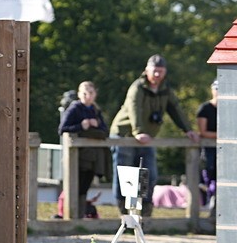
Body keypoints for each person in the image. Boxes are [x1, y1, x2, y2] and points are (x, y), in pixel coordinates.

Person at [110, 54, 199, 215]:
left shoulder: (165, 90)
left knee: (148, 174)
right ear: (147, 70)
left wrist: (188, 130)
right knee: (125, 175)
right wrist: (138, 131)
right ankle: (124, 214)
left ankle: (144, 213)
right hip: (125, 135)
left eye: (161, 71)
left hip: (147, 138)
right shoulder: (137, 87)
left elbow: (175, 109)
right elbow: (134, 109)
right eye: (154, 71)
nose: (157, 75)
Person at [58, 81, 110, 218]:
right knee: (75, 186)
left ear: (95, 94)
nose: (88, 96)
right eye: (84, 93)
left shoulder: (95, 110)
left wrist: (96, 124)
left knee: (84, 187)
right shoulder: (75, 108)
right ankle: (71, 216)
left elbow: (105, 131)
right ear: (79, 94)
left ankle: (80, 216)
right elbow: (63, 129)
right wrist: (81, 125)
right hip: (78, 156)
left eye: (91, 93)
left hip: (93, 157)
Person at [197, 79, 218, 207]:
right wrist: (223, 136)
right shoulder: (205, 108)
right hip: (208, 150)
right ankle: (207, 205)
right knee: (208, 177)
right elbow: (203, 132)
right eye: (216, 89)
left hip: (226, 148)